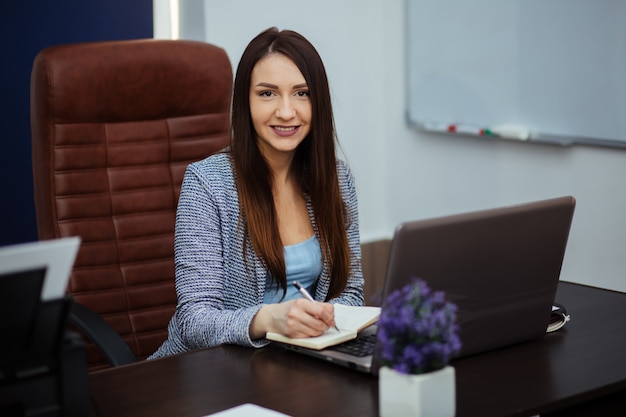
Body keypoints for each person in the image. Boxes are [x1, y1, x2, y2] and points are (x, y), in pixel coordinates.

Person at [149, 27, 364, 359]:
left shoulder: (335, 178)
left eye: (302, 93)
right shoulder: (208, 183)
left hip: (299, 362)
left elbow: (350, 293)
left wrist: (323, 320)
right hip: (210, 371)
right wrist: (270, 319)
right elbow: (195, 322)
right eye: (267, 94)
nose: (286, 111)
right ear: (245, 102)